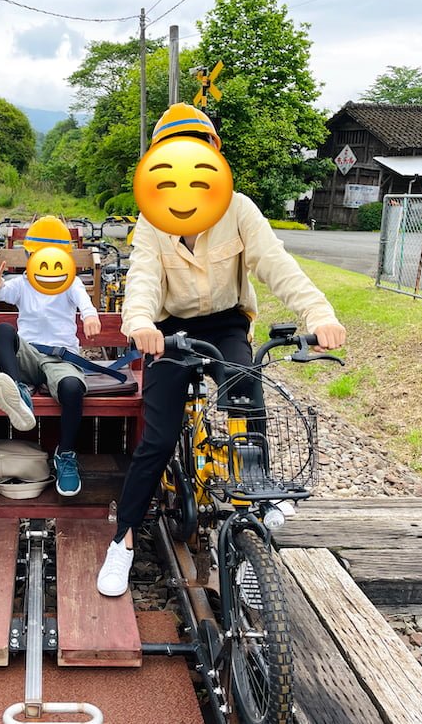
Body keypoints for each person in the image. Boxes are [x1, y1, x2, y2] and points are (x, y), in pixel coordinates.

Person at [96, 104, 346, 596]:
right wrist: (140, 322)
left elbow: (276, 264)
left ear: (214, 154)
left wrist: (319, 314)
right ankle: (122, 541)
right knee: (158, 437)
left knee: (246, 396)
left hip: (226, 319)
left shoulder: (239, 208)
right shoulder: (152, 219)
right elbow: (143, 276)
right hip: (167, 328)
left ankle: (256, 508)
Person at [0, 231, 101, 497]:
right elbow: (3, 291)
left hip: (59, 357)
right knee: (3, 329)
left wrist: (91, 316)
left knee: (72, 387)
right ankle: (17, 391)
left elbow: (85, 302)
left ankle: (66, 455)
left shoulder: (70, 283)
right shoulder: (23, 283)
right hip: (27, 354)